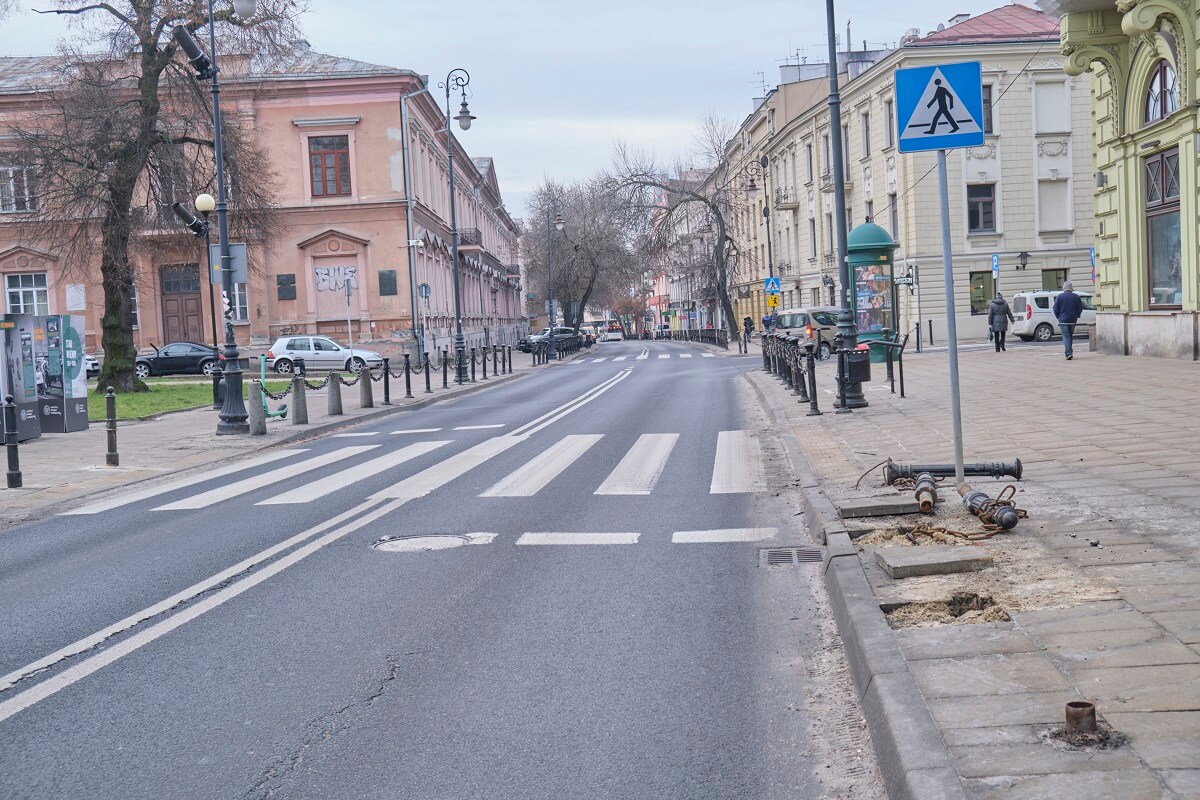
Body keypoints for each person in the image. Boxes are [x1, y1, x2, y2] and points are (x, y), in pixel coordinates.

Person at [1052, 280, 1084, 360]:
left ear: (1064, 288)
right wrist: (1077, 315)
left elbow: (1055, 308)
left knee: (1066, 336)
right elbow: (1080, 308)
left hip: (1063, 320)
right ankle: (1069, 352)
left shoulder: (1059, 296)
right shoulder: (1076, 296)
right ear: (1071, 288)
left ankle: (1069, 353)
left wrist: (1058, 317)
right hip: (1073, 319)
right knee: (1070, 336)